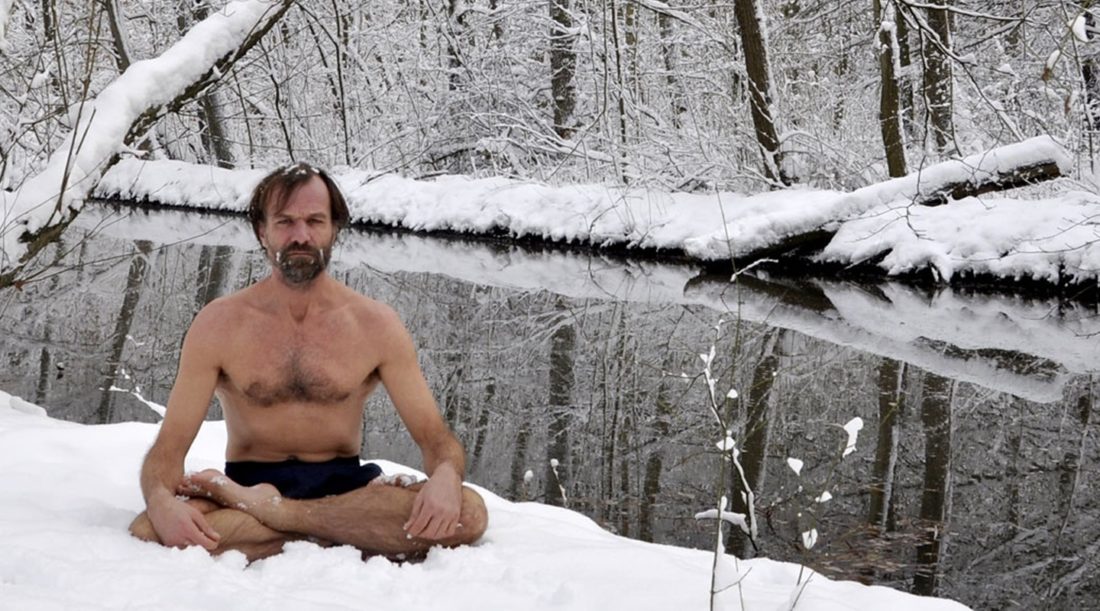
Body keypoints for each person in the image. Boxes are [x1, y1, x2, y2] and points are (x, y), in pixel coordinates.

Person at [128, 162, 488, 561]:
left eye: (315, 221)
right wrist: (160, 500)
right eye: (285, 222)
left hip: (346, 488)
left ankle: (274, 517)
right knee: (148, 528)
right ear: (262, 231)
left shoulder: (375, 325)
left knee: (468, 512)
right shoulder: (219, 324)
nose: (300, 236)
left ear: (334, 228)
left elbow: (435, 437)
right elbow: (169, 447)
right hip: (251, 483)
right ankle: (338, 532)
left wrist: (446, 475)